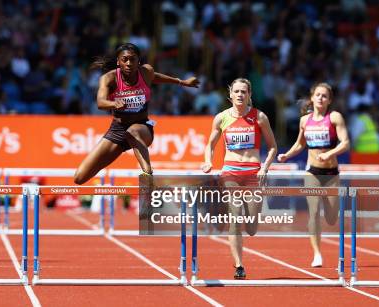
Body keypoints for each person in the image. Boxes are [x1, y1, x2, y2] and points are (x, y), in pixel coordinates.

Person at [73, 43, 199, 185]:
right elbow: (101, 102)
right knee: (79, 178)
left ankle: (148, 176)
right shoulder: (109, 78)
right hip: (118, 130)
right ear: (118, 62)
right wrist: (114, 103)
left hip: (142, 127)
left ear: (139, 61)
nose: (129, 63)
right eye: (124, 59)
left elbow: (155, 77)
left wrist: (181, 82)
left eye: (133, 59)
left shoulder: (146, 72)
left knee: (133, 131)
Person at [201, 78, 277, 279]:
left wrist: (265, 169)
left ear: (250, 95)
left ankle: (247, 220)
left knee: (251, 228)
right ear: (230, 95)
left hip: (253, 173)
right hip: (231, 173)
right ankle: (239, 266)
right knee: (235, 218)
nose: (240, 95)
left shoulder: (259, 117)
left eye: (244, 91)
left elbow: (273, 147)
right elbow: (210, 144)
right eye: (237, 91)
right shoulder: (221, 118)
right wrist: (208, 161)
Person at [278, 82, 349, 267]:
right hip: (312, 172)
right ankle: (317, 254)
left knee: (332, 219)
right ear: (312, 97)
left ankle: (329, 203)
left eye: (324, 96)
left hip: (331, 173)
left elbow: (345, 143)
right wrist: (287, 155)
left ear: (329, 100)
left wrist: (329, 154)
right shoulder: (305, 120)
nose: (320, 98)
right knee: (314, 212)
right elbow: (300, 144)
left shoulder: (334, 118)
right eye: (318, 95)